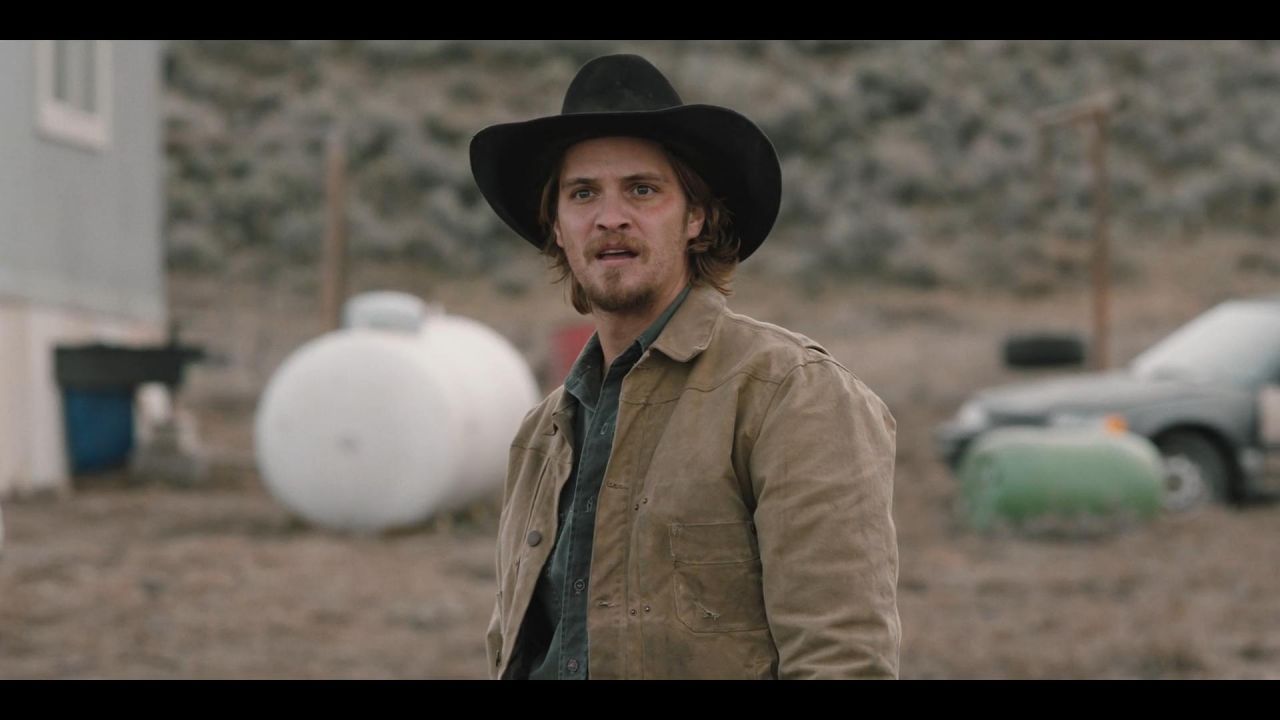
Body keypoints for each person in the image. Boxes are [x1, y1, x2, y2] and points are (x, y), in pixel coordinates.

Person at [470, 53, 899, 680]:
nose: (610, 216)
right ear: (557, 228)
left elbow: (843, 658)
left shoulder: (789, 394)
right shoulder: (543, 434)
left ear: (695, 217)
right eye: (582, 193)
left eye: (642, 190)